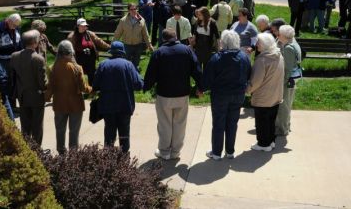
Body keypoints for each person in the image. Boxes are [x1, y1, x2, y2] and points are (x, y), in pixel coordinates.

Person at [143, 29, 203, 160]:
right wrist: (201, 87)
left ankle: (164, 151)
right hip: (182, 94)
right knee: (180, 123)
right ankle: (175, 151)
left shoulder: (159, 52)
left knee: (165, 123)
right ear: (176, 37)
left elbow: (150, 73)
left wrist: (146, 86)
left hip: (164, 94)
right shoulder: (187, 51)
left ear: (163, 39)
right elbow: (197, 69)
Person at [203, 30, 251, 160]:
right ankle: (230, 152)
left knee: (219, 123)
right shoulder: (244, 57)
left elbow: (208, 78)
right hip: (238, 95)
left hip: (220, 96)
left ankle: (216, 153)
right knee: (232, 123)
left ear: (223, 42)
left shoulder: (217, 58)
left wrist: (202, 88)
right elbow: (248, 74)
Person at [92, 41, 144, 153]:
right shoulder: (129, 65)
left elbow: (95, 85)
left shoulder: (103, 65)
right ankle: (124, 159)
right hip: (125, 105)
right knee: (124, 134)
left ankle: (108, 160)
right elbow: (138, 85)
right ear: (122, 52)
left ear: (111, 52)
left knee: (109, 134)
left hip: (107, 106)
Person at [46, 40, 92, 154]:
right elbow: (83, 88)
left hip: (59, 104)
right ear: (71, 52)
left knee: (60, 130)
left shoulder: (52, 68)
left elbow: (50, 88)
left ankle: (61, 151)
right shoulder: (77, 68)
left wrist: (45, 98)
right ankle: (73, 154)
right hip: (75, 105)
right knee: (74, 131)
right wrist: (92, 89)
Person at [246, 33, 284, 152]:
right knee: (271, 121)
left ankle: (263, 144)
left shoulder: (262, 60)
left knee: (262, 122)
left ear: (264, 44)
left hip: (263, 97)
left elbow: (256, 81)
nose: (256, 45)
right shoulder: (279, 55)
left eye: (258, 43)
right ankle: (270, 141)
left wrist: (247, 90)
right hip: (276, 95)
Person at [10, 30, 47, 145]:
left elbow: (12, 77)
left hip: (22, 96)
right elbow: (43, 82)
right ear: (35, 43)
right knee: (37, 126)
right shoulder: (38, 59)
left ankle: (26, 149)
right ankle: (37, 151)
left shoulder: (14, 56)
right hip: (36, 97)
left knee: (25, 125)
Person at [0, 13, 23, 114]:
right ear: (9, 21)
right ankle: (5, 107)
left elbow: (19, 42)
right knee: (5, 82)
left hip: (14, 58)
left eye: (17, 26)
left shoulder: (16, 27)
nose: (15, 28)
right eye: (14, 25)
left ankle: (13, 106)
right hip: (2, 60)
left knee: (13, 82)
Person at [275, 25, 301, 136]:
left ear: (284, 36)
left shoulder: (288, 48)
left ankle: (283, 129)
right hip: (294, 79)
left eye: (279, 34)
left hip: (288, 80)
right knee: (288, 103)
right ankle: (286, 125)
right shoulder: (293, 42)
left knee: (284, 105)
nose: (277, 35)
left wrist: (282, 83)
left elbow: (288, 69)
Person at [68, 18, 110, 85]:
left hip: (90, 57)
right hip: (79, 57)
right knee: (78, 74)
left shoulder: (90, 34)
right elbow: (69, 49)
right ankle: (80, 89)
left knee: (92, 74)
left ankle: (92, 89)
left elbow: (99, 41)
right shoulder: (72, 36)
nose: (85, 27)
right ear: (78, 26)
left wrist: (109, 46)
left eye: (85, 26)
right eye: (83, 26)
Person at [113, 3, 154, 70]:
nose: (133, 11)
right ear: (128, 10)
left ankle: (134, 78)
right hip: (127, 46)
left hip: (138, 45)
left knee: (135, 65)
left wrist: (149, 45)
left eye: (135, 9)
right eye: (131, 9)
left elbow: (145, 34)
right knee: (126, 65)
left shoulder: (142, 20)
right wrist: (113, 44)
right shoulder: (123, 20)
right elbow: (117, 33)